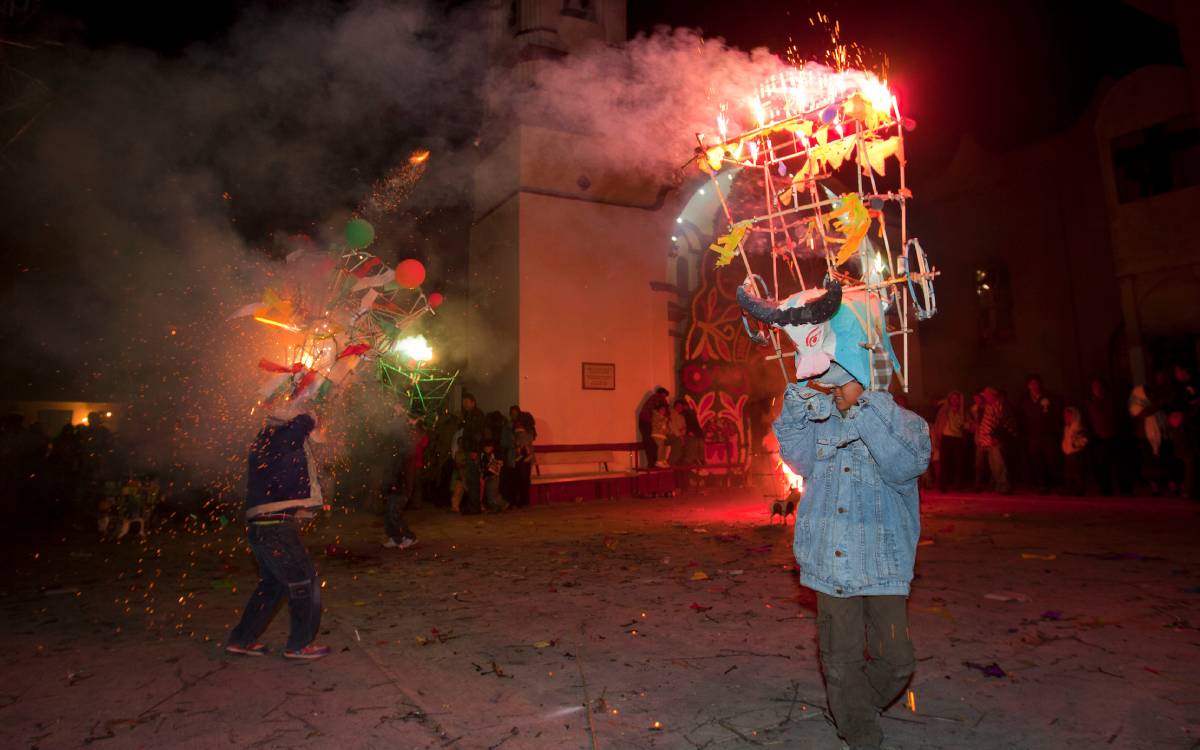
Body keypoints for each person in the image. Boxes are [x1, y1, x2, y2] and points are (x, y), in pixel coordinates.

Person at [774, 363, 930, 750]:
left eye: (847, 377)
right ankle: (860, 733)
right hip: (832, 561)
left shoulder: (906, 424)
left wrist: (864, 407)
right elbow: (797, 460)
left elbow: (905, 465)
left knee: (897, 662)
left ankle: (854, 706)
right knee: (841, 659)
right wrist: (797, 404)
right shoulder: (819, 423)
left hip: (883, 563)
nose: (837, 385)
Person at [227, 403, 331, 660]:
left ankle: (242, 639)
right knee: (303, 581)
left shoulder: (267, 436)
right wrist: (310, 414)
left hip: (263, 526)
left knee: (273, 584)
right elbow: (296, 431)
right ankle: (300, 644)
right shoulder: (280, 434)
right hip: (275, 527)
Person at [1019, 375, 1059, 492]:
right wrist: (1025, 433)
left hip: (1048, 434)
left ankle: (1054, 483)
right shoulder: (1024, 400)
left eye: (1036, 383)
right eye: (1032, 384)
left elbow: (1055, 415)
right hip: (1033, 436)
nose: (1034, 386)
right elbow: (1021, 418)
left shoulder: (1049, 397)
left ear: (1040, 384)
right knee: (1037, 460)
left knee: (1051, 459)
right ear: (1028, 386)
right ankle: (1042, 484)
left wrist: (1054, 430)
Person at [1085, 379, 1120, 496]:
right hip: (1098, 438)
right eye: (1095, 387)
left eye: (1099, 386)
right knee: (1101, 465)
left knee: (1116, 464)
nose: (1097, 389)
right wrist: (1091, 435)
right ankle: (1105, 488)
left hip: (1112, 435)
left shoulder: (1111, 401)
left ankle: (1120, 487)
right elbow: (1088, 420)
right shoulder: (1090, 403)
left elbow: (1116, 416)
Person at [932, 391, 969, 491]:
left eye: (957, 398)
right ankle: (942, 486)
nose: (955, 400)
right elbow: (938, 423)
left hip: (958, 439)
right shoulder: (944, 410)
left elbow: (966, 423)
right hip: (946, 438)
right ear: (949, 399)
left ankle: (958, 485)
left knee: (958, 463)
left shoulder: (963, 410)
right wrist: (937, 438)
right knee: (944, 463)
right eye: (953, 398)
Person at [458, 393, 486, 515]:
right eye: (463, 402)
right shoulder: (470, 415)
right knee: (471, 479)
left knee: (473, 479)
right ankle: (473, 505)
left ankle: (474, 507)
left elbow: (477, 434)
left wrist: (475, 450)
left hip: (473, 451)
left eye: (466, 402)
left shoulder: (477, 415)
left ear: (473, 402)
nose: (464, 405)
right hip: (470, 450)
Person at [510, 405, 536, 508]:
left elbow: (519, 441)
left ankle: (522, 501)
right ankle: (524, 501)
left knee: (521, 478)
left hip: (522, 454)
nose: (513, 416)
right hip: (526, 454)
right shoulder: (529, 428)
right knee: (524, 478)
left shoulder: (518, 426)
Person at [637, 387, 670, 468]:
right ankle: (654, 463)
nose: (665, 398)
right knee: (652, 443)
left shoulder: (653, 399)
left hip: (644, 421)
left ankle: (653, 463)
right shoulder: (658, 398)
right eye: (665, 396)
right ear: (662, 394)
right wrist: (667, 417)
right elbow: (666, 410)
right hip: (646, 422)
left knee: (651, 443)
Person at [1061, 406, 1089, 495]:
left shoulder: (1078, 427)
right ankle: (1070, 489)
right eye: (1065, 416)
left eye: (1069, 416)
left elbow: (1084, 440)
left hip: (1076, 454)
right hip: (1068, 453)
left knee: (1078, 473)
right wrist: (1065, 447)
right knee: (1069, 473)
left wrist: (1074, 446)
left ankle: (1079, 490)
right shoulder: (1067, 427)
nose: (1066, 417)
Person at [650, 403, 671, 468]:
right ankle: (659, 461)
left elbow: (666, 429)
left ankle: (664, 460)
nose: (663, 411)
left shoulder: (664, 418)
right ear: (658, 410)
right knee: (661, 444)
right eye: (662, 409)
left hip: (662, 435)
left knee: (668, 446)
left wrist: (668, 430)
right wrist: (664, 420)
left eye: (664, 410)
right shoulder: (655, 416)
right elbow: (658, 425)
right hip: (656, 434)